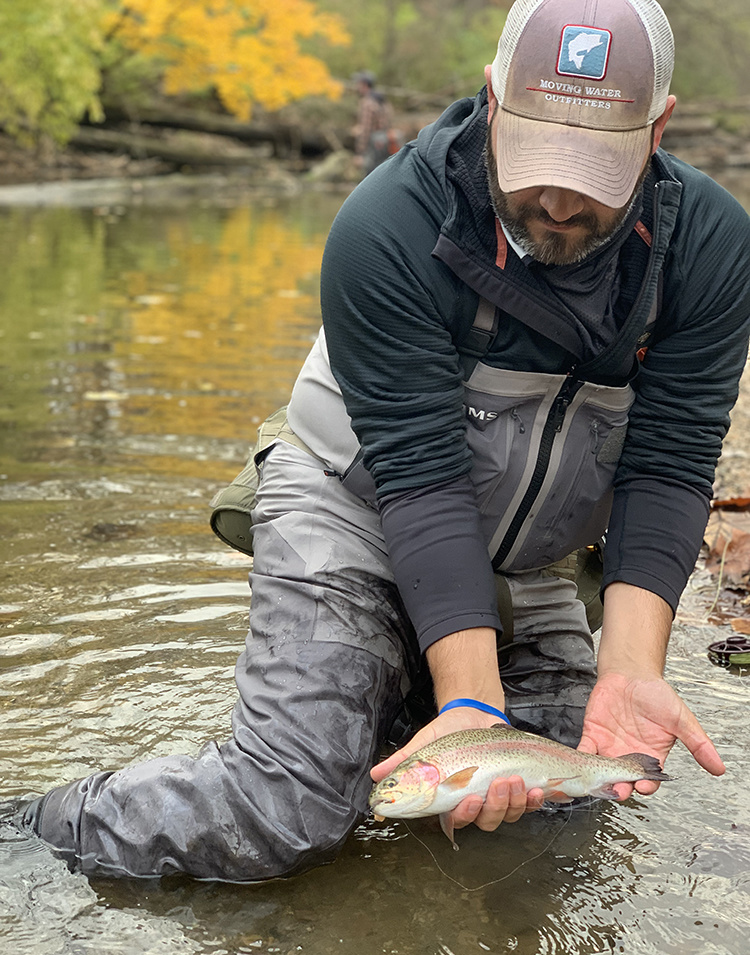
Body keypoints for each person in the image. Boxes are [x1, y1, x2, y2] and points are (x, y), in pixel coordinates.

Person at [18, 0, 750, 881]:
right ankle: (35, 827)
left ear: (658, 128)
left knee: (559, 824)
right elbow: (421, 478)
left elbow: (670, 462)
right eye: (536, 162)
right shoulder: (387, 227)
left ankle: (397, 704)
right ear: (491, 98)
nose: (556, 200)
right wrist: (473, 710)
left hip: (529, 564)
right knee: (284, 810)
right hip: (356, 509)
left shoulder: (710, 249)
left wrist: (631, 668)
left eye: (593, 170)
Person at [352, 70, 394, 176]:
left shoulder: (367, 102)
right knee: (382, 173)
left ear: (365, 84)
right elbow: (389, 120)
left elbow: (366, 129)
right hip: (385, 140)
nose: (357, 87)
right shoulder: (381, 100)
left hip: (373, 143)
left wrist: (360, 153)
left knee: (370, 175)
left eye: (358, 84)